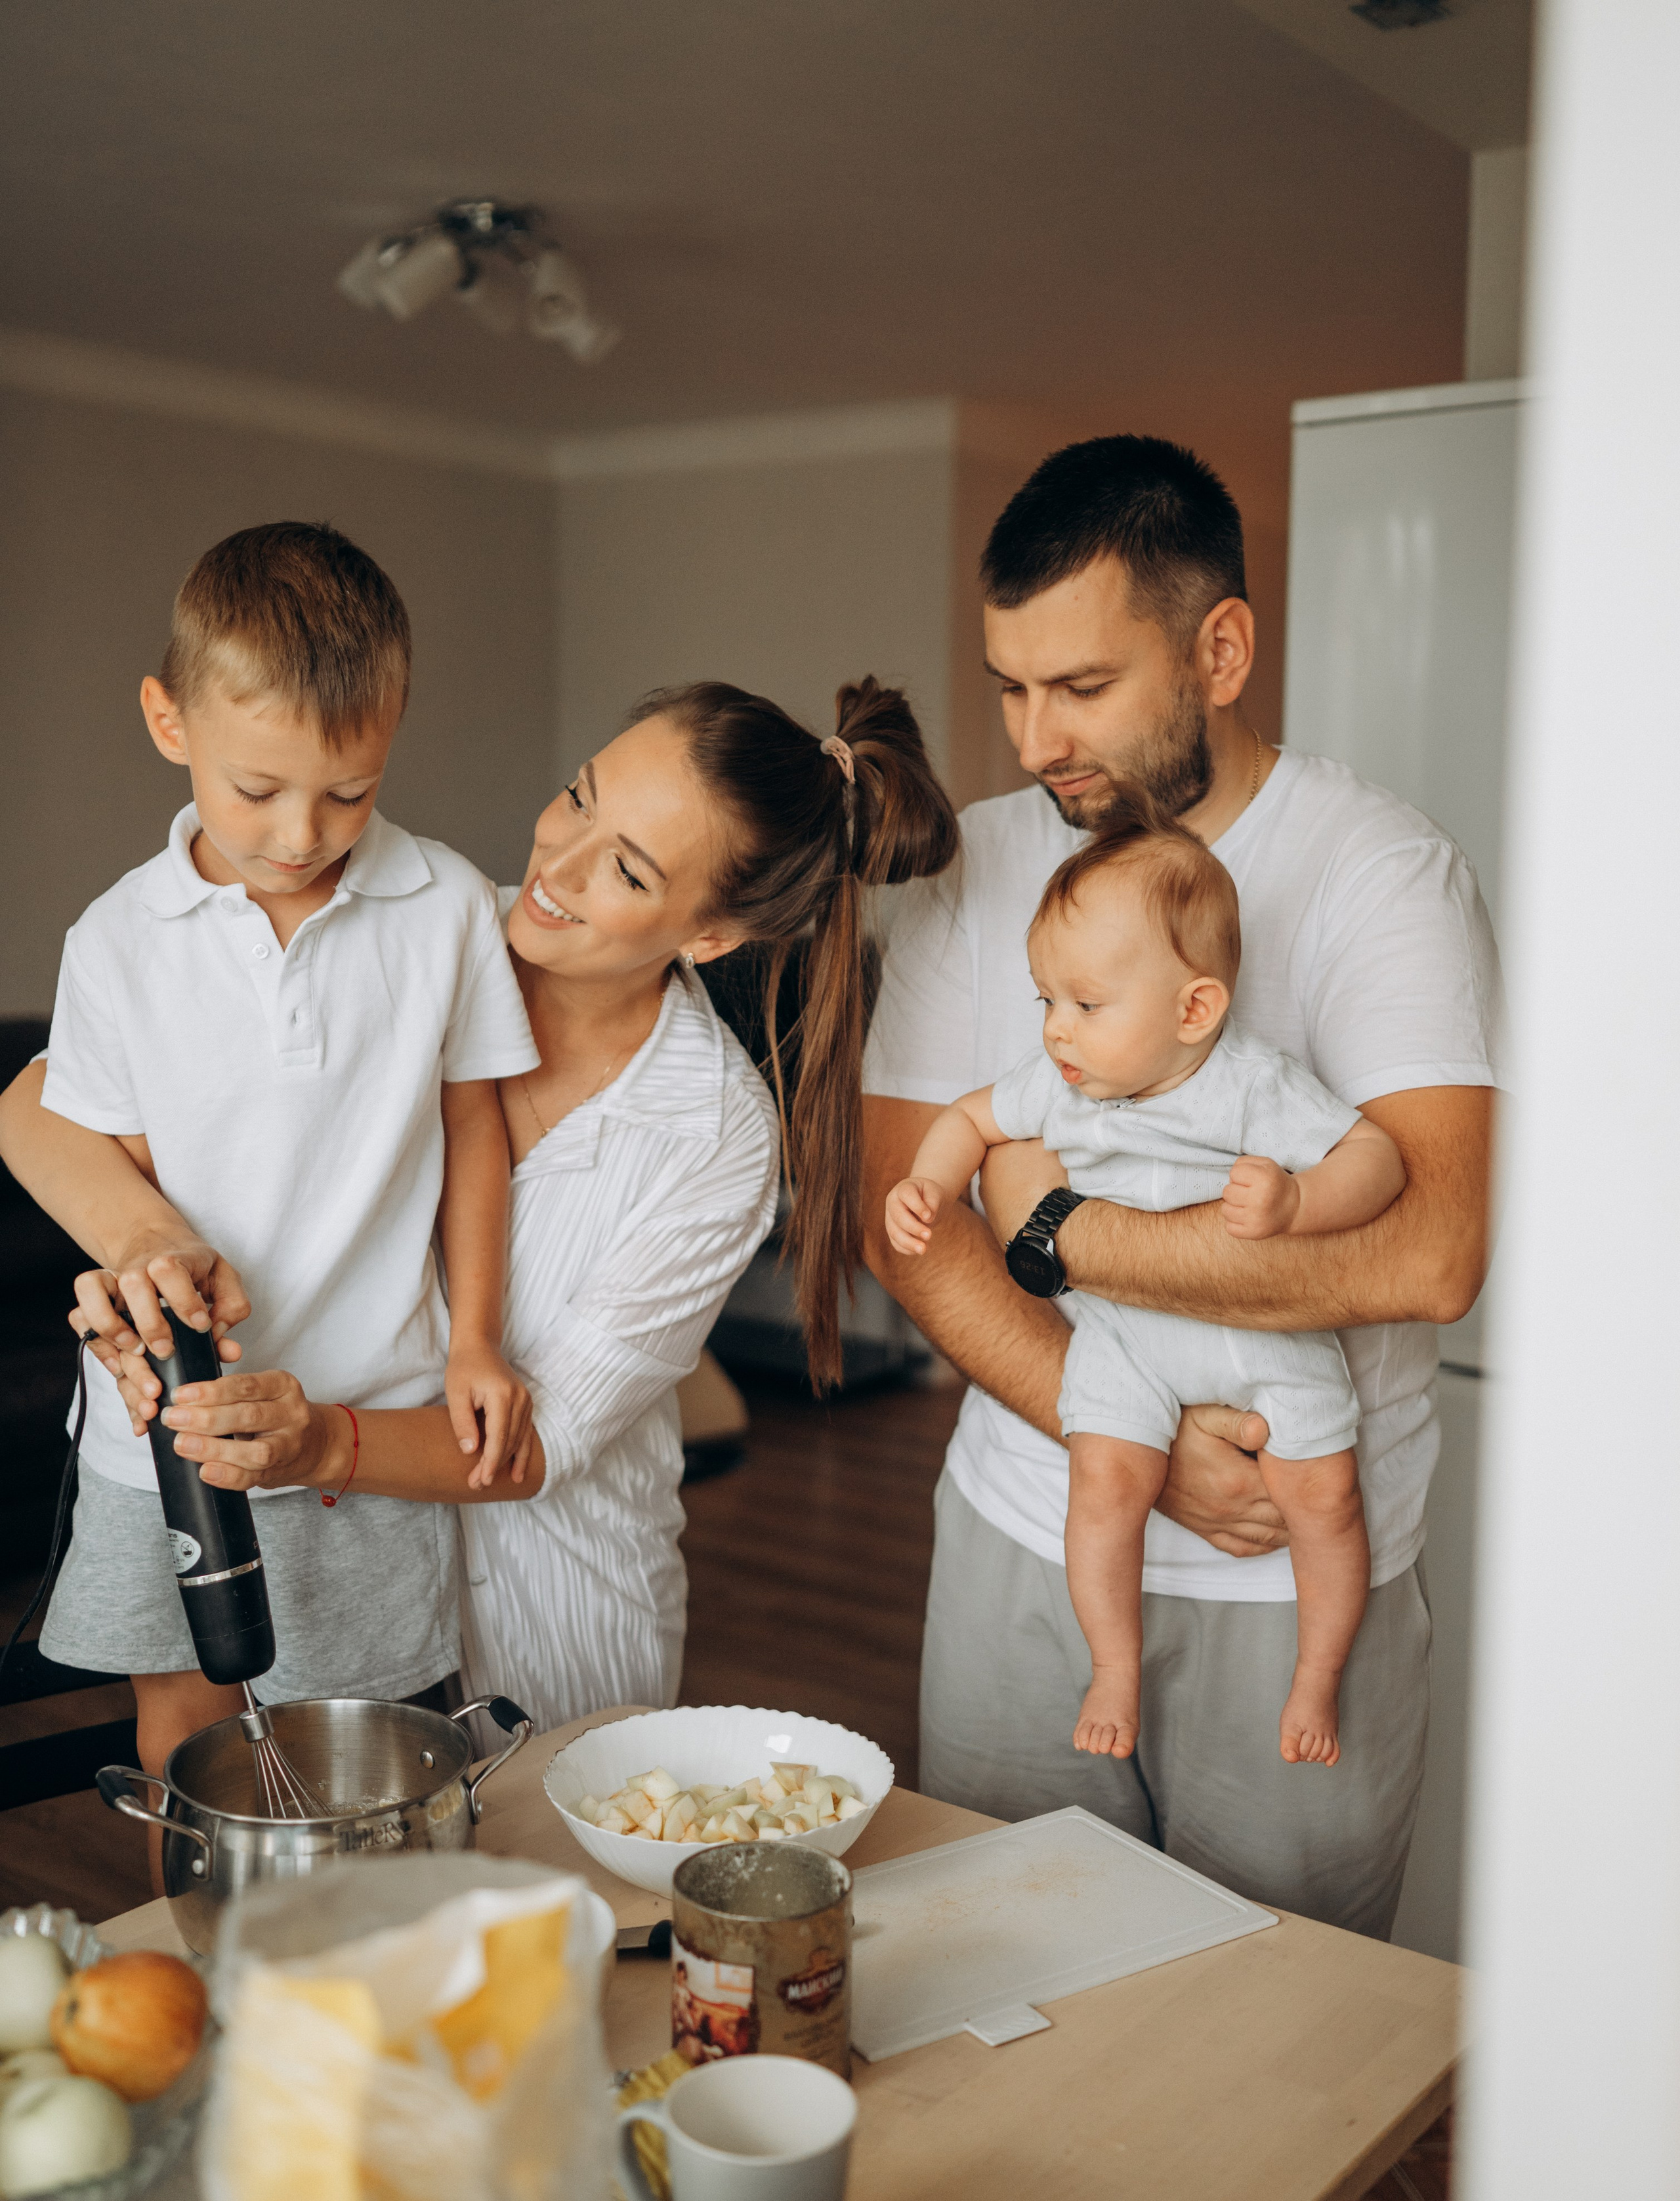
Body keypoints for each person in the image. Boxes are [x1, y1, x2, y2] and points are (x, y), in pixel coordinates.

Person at [862, 435, 1501, 1939]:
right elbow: (898, 1212)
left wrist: (1054, 1227)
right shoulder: (978, 865)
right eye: (1009, 686)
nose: (1029, 740)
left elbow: (1431, 1253)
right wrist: (1117, 1419)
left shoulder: (1379, 874)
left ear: (1217, 648)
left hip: (1292, 1576)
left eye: (1079, 690)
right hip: (1027, 1533)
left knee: (1286, 2032)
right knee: (995, 1978)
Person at [77, 679, 959, 1734]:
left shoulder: (717, 1137)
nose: (559, 866)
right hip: (322, 1575)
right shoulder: (409, 930)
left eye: (628, 869)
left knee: (548, 1897)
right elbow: (55, 1102)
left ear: (712, 936)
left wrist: (318, 1443)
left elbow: (534, 1446)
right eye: (578, 798)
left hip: (557, 1620)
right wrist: (140, 1244)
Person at [0, 523, 538, 1826]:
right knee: (185, 1733)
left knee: (377, 1750)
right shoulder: (117, 941)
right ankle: (203, 1995)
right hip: (164, 1441)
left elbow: (476, 1130)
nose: (303, 833)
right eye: (260, 790)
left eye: (349, 792)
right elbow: (108, 1176)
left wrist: (473, 1337)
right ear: (166, 720)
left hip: (364, 1416)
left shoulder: (449, 906)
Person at [884, 797, 1406, 1769]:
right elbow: (970, 1118)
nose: (1056, 1032)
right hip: (1121, 1339)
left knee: (1324, 1500)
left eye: (1085, 1004)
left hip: (1263, 1340)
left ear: (1194, 1009)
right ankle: (1113, 1668)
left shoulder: (1254, 1083)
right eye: (1046, 1001)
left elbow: (1373, 1158)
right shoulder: (1064, 1080)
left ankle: (1316, 1678)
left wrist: (1300, 1205)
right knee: (1106, 1487)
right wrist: (929, 1179)